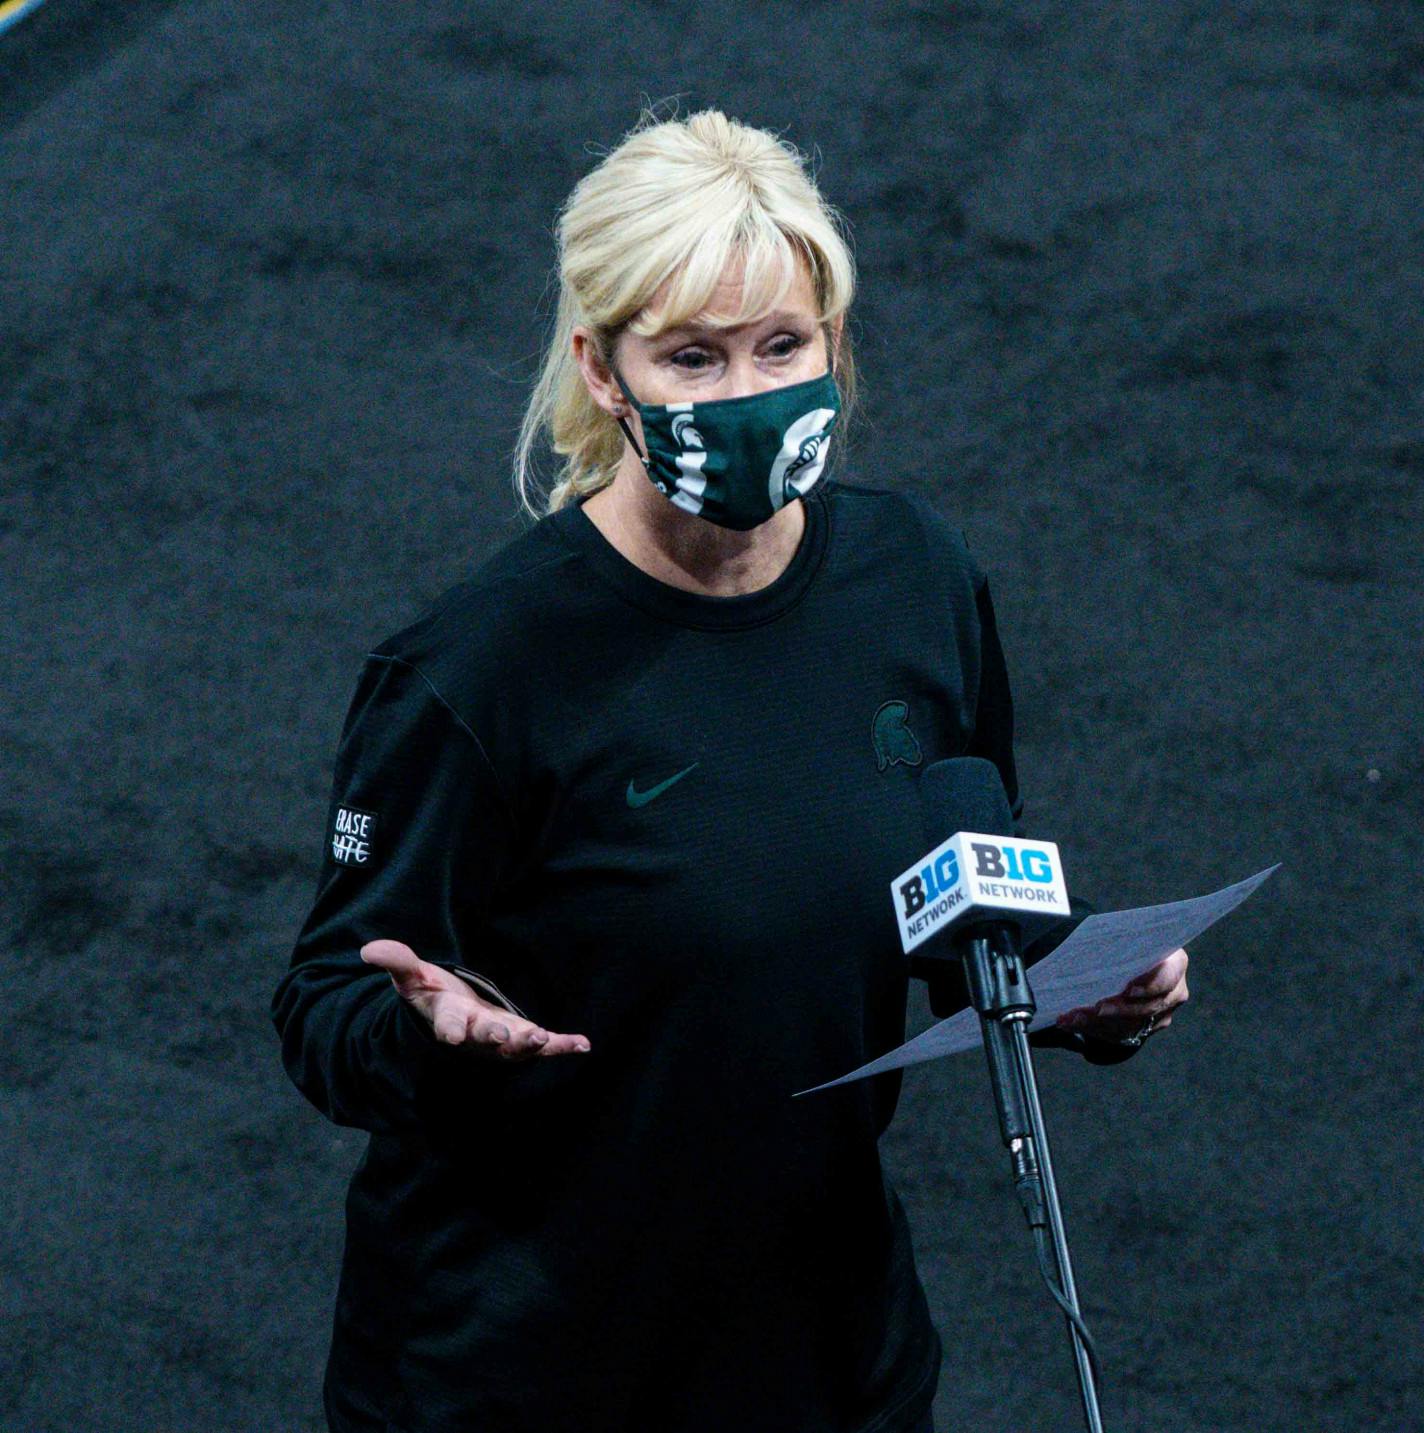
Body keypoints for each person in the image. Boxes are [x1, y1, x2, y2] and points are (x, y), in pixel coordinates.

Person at [270, 106, 1191, 1433]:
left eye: (782, 345)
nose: (747, 394)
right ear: (601, 368)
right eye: (692, 357)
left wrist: (1077, 981)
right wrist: (428, 1034)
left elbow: (948, 875)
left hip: (824, 1360)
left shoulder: (914, 582)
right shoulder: (476, 671)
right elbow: (321, 1003)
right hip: (522, 1375)